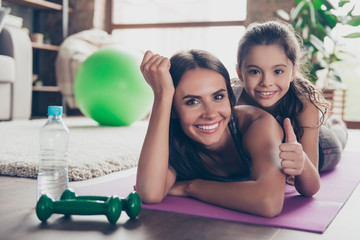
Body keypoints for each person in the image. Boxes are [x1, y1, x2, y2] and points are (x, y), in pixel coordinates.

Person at [136, 49, 286, 217]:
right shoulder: (175, 140)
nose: (210, 114)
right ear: (173, 110)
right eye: (192, 101)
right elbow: (150, 193)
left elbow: (268, 201)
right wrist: (162, 96)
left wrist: (190, 187)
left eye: (218, 97)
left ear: (229, 97)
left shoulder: (256, 123)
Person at [233, 19, 348, 197]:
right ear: (240, 73)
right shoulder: (232, 99)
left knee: (338, 135)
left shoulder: (304, 104)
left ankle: (338, 125)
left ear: (293, 72)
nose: (266, 82)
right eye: (255, 71)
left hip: (322, 145)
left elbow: (310, 188)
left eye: (278, 71)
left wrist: (301, 159)